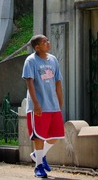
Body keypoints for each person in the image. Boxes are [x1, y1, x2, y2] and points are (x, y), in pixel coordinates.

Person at [22, 34, 64, 178]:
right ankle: (38, 166)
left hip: (53, 105)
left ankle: (38, 154)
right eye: (44, 41)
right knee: (39, 136)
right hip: (39, 106)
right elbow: (30, 83)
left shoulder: (53, 60)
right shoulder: (31, 61)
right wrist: (36, 104)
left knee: (56, 135)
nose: (48, 43)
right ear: (37, 47)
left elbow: (58, 82)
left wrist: (60, 101)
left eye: (47, 40)